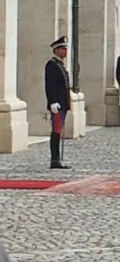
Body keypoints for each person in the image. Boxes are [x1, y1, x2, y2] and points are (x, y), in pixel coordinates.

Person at [44, 36, 71, 169]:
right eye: (63, 49)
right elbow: (50, 85)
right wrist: (52, 101)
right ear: (57, 50)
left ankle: (57, 159)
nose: (66, 51)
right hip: (57, 104)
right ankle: (55, 159)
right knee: (56, 130)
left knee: (59, 131)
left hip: (63, 103)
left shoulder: (60, 65)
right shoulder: (52, 65)